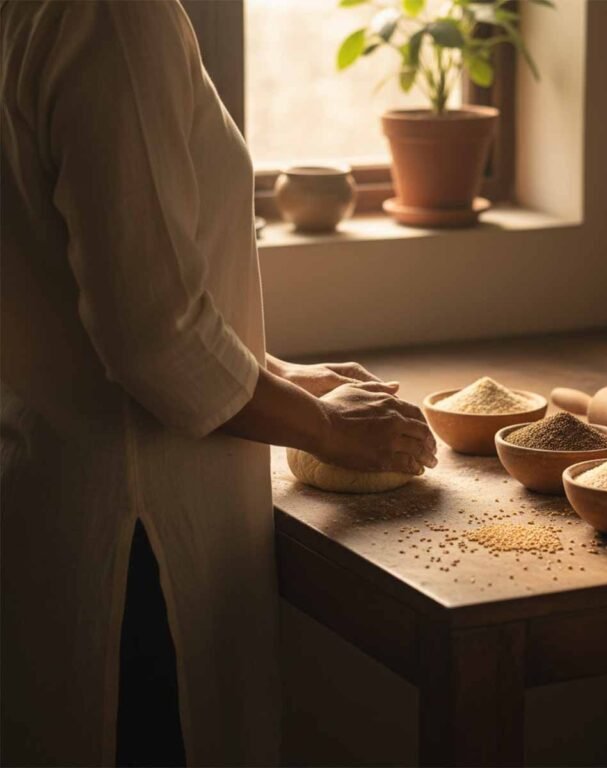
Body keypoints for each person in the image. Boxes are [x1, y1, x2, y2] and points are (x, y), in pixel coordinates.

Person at [0, 1, 437, 766]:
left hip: (48, 493)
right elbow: (153, 338)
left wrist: (277, 372)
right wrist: (329, 430)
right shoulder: (113, 16)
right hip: (135, 535)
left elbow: (92, 284)